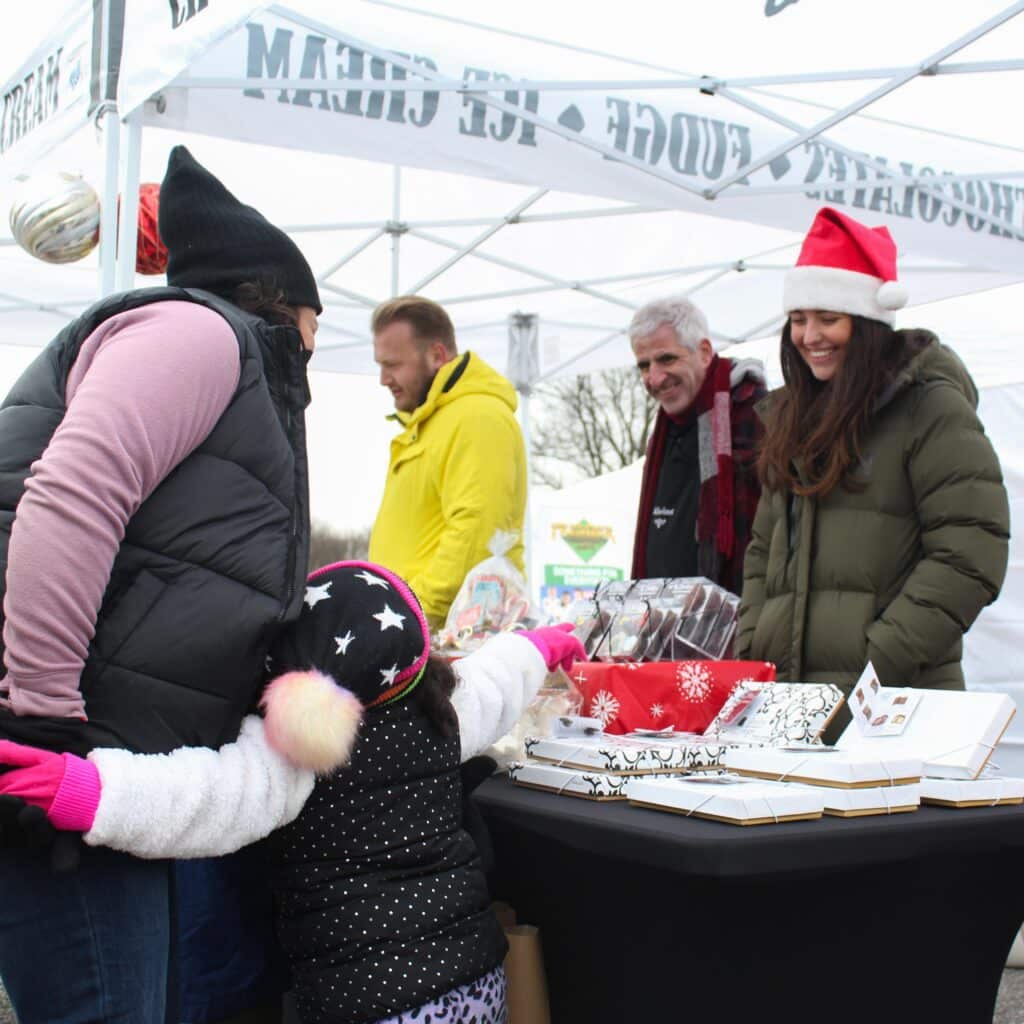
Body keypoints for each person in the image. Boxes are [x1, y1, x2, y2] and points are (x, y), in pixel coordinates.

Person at [0, 145, 319, 1023]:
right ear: (277, 302)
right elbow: (71, 496)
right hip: (64, 750)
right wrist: (40, 713)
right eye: (311, 332)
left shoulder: (220, 353)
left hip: (112, 755)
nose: (311, 364)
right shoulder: (197, 334)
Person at [0, 561, 586, 1024]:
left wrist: (82, 789)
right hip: (475, 978)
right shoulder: (446, 709)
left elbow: (199, 798)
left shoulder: (296, 753)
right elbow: (502, 673)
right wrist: (548, 644)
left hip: (363, 998)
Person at [736, 206, 1009, 724]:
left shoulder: (930, 409)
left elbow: (971, 551)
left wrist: (874, 662)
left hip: (897, 709)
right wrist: (754, 647)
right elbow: (761, 552)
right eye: (798, 319)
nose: (809, 335)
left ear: (866, 325)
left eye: (828, 318)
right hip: (789, 708)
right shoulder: (791, 417)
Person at [368, 296, 528, 630]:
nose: (383, 379)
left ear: (437, 355)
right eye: (380, 365)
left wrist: (411, 616)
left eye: (393, 365)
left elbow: (475, 533)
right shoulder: (430, 422)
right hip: (422, 634)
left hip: (450, 640)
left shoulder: (476, 416)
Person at [629, 296, 766, 593]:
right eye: (643, 365)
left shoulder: (754, 417)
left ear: (704, 352)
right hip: (662, 625)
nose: (654, 378)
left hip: (735, 624)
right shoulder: (663, 433)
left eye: (666, 359)